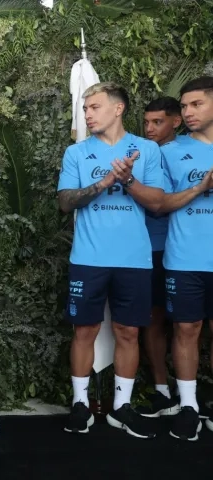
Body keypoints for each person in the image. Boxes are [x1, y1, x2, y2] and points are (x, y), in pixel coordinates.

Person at [57, 82, 165, 438]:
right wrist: (105, 181)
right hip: (88, 258)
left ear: (118, 109)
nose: (87, 115)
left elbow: (157, 202)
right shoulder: (76, 153)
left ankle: (122, 407)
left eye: (94, 107)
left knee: (128, 331)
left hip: (134, 259)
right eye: (85, 109)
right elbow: (65, 202)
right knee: (84, 330)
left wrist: (128, 179)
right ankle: (80, 406)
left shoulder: (146, 149)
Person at [156, 76, 213, 440]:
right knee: (186, 329)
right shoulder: (170, 151)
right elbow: (159, 205)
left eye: (196, 104)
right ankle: (189, 405)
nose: (187, 112)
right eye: (185, 106)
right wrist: (199, 188)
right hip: (184, 259)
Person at [136, 97, 183, 418]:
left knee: (188, 323)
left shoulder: (192, 151)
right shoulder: (139, 153)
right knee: (153, 319)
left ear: (175, 122)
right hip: (150, 249)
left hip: (186, 252)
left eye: (158, 122)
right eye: (147, 122)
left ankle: (188, 391)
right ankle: (162, 389)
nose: (150, 129)